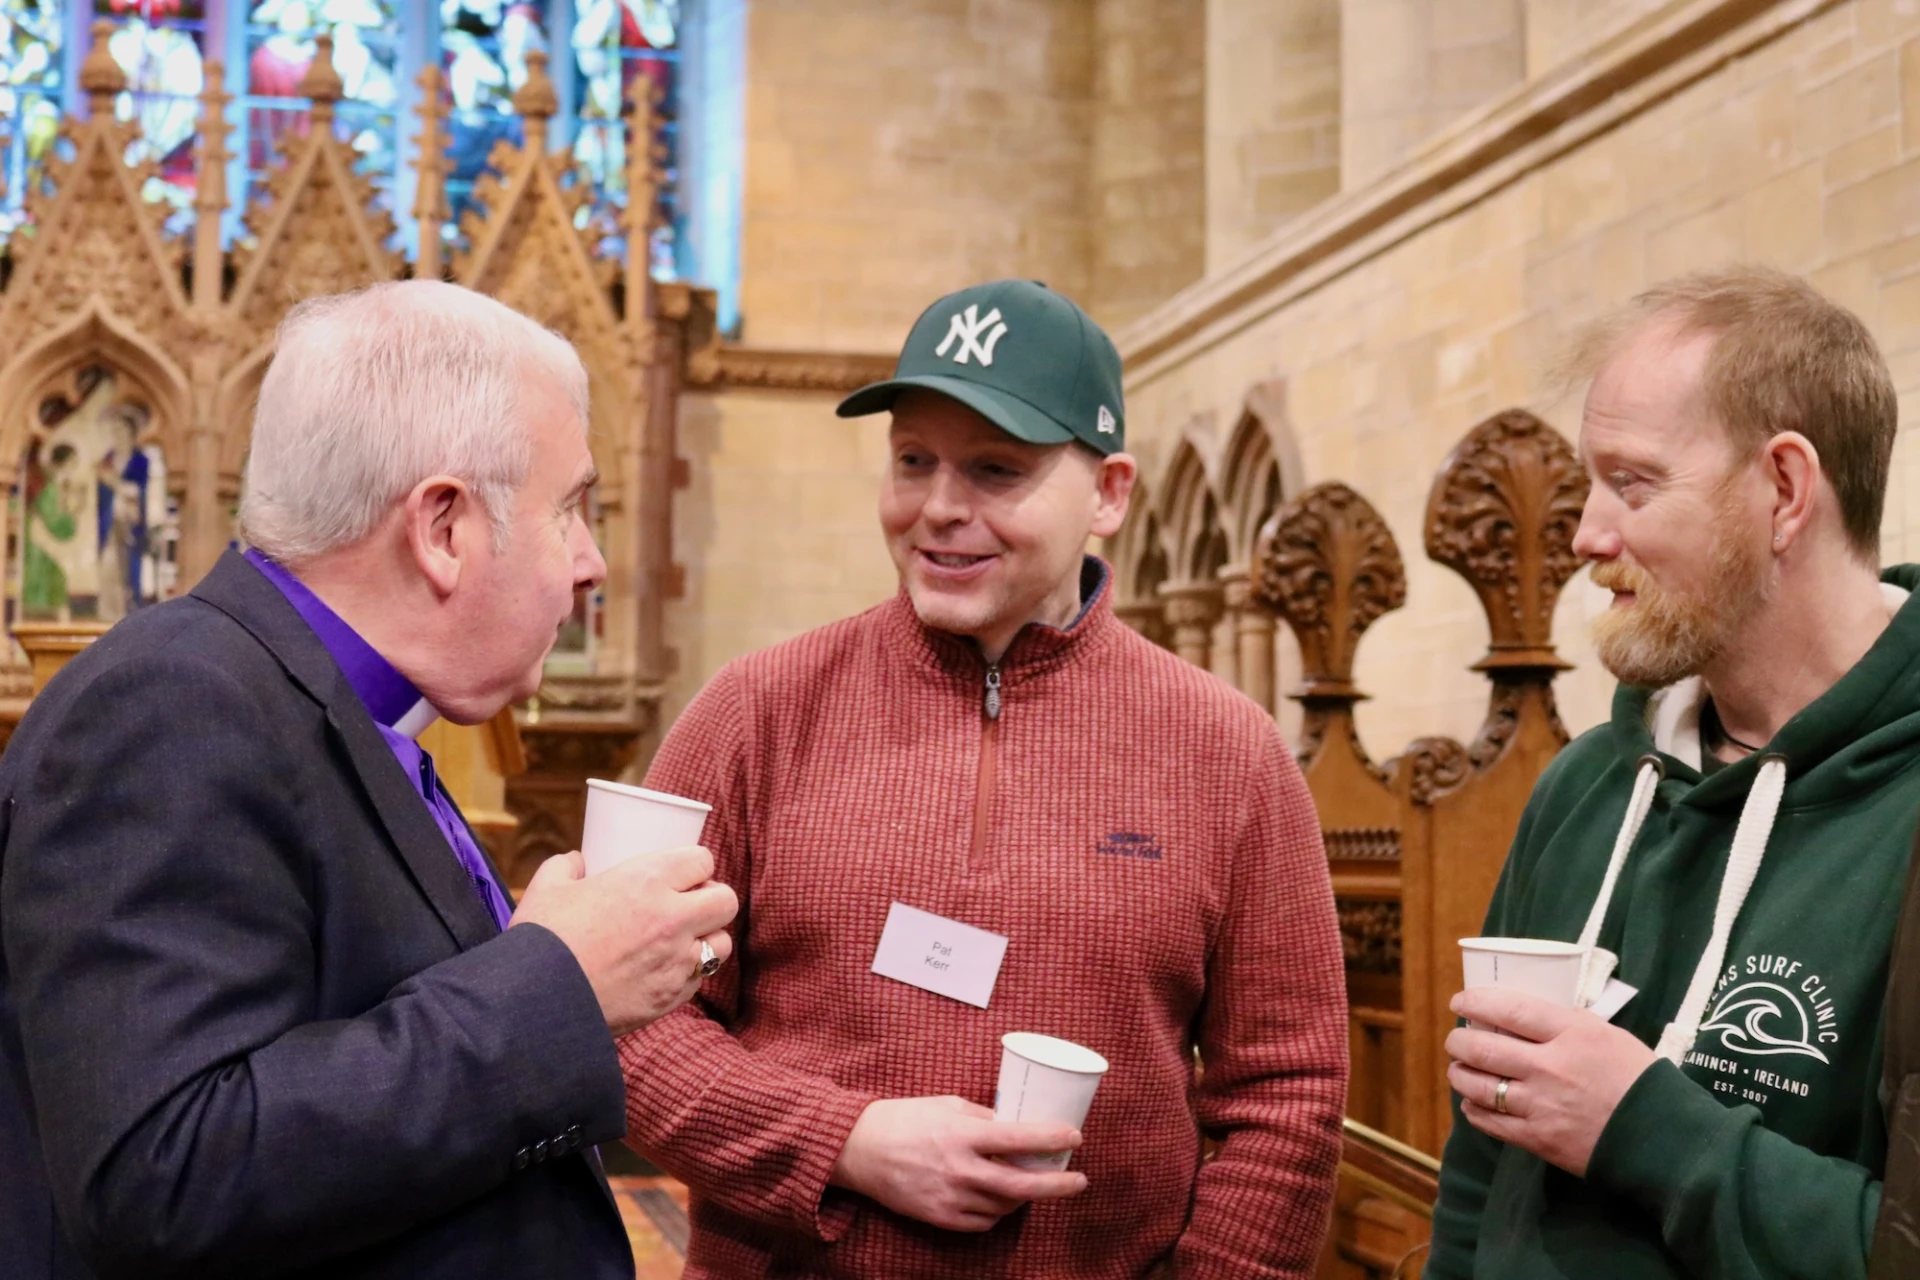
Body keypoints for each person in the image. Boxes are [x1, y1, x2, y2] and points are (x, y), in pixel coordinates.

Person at [0, 280, 739, 1279]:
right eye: (569, 508)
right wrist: (556, 983)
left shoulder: (326, 702)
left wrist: (533, 953)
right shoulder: (170, 702)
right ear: (443, 526)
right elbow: (163, 1168)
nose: (591, 562)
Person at [615, 279, 1348, 1278]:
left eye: (997, 469)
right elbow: (631, 1019)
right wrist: (846, 1139)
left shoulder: (1230, 752)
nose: (942, 509)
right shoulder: (757, 711)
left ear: (1110, 492)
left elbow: (1286, 1096)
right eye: (914, 460)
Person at [1429, 266, 1920, 1279]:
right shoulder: (1589, 782)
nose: (1587, 535)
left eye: (1635, 482)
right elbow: (1480, 1166)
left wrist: (1645, 1125)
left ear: (1784, 491)